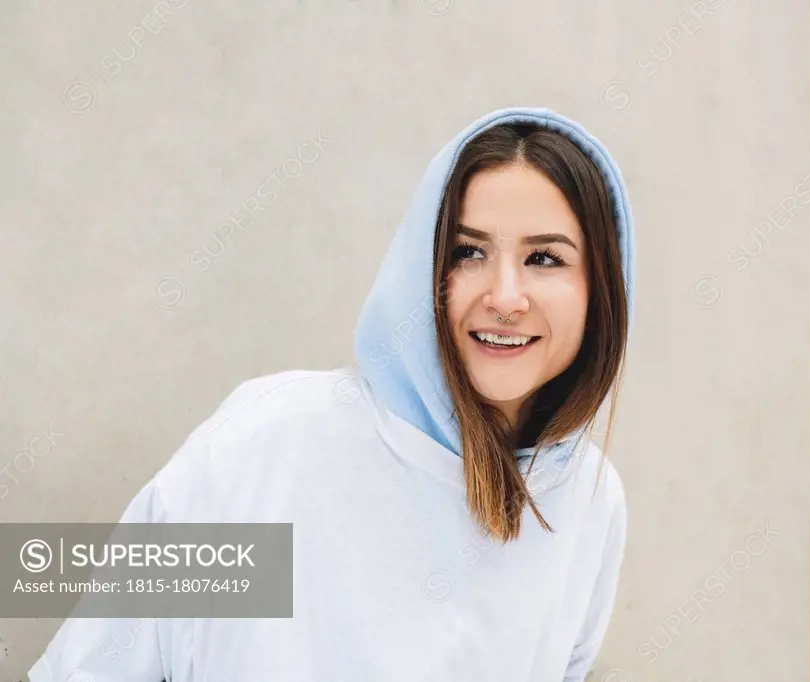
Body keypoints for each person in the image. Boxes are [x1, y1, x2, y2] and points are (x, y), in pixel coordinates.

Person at [28, 106, 636, 682]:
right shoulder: (270, 447)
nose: (505, 296)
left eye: (544, 258)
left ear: (600, 288)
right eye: (468, 251)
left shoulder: (590, 500)